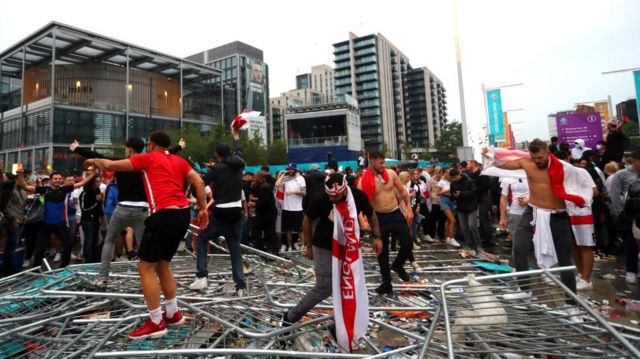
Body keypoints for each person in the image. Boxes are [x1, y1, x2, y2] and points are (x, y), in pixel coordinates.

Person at [85, 131, 208, 340]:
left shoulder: (146, 158)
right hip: (182, 214)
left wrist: (94, 159)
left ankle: (155, 321)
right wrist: (203, 209)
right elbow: (198, 182)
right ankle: (172, 313)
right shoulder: (178, 161)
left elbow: (108, 165)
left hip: (163, 214)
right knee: (162, 265)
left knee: (145, 267)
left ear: (150, 145)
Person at [71, 138, 184, 285]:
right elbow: (166, 153)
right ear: (142, 149)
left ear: (129, 149)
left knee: (109, 241)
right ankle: (150, 278)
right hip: (142, 211)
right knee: (145, 246)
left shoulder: (120, 163)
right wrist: (179, 146)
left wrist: (77, 149)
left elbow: (96, 154)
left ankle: (103, 277)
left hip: (122, 209)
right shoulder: (148, 163)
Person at [482, 139, 580, 301]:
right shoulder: (526, 163)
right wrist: (488, 156)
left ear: (547, 152)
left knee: (564, 259)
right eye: (534, 158)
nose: (537, 161)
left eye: (540, 158)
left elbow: (582, 186)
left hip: (556, 215)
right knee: (519, 248)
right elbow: (501, 165)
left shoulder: (563, 167)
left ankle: (572, 303)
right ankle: (524, 288)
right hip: (532, 211)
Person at [284, 173, 382, 324]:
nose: (332, 199)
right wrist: (308, 246)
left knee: (348, 285)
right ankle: (291, 317)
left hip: (348, 246)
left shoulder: (357, 196)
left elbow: (371, 214)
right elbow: (307, 219)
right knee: (325, 287)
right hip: (324, 245)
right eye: (330, 196)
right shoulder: (321, 197)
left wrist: (377, 237)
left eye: (335, 197)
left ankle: (341, 326)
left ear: (344, 190)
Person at [190, 128, 247, 294]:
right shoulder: (239, 164)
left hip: (221, 211)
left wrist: (197, 196)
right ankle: (240, 285)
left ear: (217, 154)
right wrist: (236, 136)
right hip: (236, 210)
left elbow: (201, 184)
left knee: (202, 238)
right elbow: (240, 151)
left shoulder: (215, 169)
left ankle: (202, 277)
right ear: (230, 152)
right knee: (234, 248)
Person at [357, 151, 414, 294]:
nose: (384, 165)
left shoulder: (391, 174)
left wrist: (409, 209)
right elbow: (359, 206)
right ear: (372, 162)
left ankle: (398, 265)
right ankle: (386, 283)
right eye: (381, 163)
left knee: (408, 243)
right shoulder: (363, 181)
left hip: (395, 213)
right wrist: (363, 221)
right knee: (382, 252)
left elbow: (403, 191)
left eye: (384, 162)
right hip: (378, 218)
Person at [16, 169, 96, 268]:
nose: (57, 180)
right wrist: (20, 175)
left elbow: (81, 183)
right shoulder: (44, 190)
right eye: (55, 179)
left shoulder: (64, 189)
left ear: (62, 180)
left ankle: (64, 267)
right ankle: (36, 270)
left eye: (59, 178)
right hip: (45, 225)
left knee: (68, 245)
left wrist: (93, 174)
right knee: (39, 249)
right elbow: (25, 186)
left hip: (60, 224)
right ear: (50, 180)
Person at [609, 150, 640, 284]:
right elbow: (614, 194)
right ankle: (631, 271)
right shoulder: (621, 175)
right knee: (630, 244)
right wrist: (618, 212)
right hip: (630, 215)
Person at [450, 169, 483, 254]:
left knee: (472, 226)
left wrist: (461, 193)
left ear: (459, 174)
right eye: (453, 178)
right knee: (464, 228)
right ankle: (469, 245)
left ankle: (479, 246)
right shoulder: (453, 183)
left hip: (471, 207)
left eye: (455, 177)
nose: (454, 179)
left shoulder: (469, 181)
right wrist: (454, 196)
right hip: (461, 208)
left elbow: (473, 192)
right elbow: (452, 194)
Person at [275, 164, 306, 252]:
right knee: (287, 230)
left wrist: (294, 192)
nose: (290, 171)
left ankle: (303, 246)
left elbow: (304, 192)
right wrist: (283, 175)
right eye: (289, 169)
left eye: (292, 169)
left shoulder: (301, 178)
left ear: (295, 170)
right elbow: (277, 184)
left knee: (300, 229)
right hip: (286, 208)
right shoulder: (286, 179)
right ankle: (289, 247)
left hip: (297, 208)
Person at [1, 173, 27, 275]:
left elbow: (22, 206)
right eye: (20, 179)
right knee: (11, 245)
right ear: (15, 180)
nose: (23, 181)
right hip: (11, 221)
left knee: (14, 244)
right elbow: (5, 207)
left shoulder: (24, 191)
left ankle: (9, 267)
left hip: (21, 220)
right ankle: (7, 270)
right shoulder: (9, 190)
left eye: (24, 179)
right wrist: (13, 219)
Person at [249, 171, 278, 254]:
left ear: (260, 178)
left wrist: (254, 204)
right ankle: (269, 249)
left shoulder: (264, 187)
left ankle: (263, 249)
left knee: (262, 230)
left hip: (267, 213)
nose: (254, 179)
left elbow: (265, 201)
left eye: (255, 177)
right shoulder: (262, 186)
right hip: (267, 213)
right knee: (268, 231)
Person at [79, 174, 104, 263]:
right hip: (87, 220)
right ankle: (88, 261)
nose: (99, 183)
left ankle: (95, 260)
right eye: (96, 181)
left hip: (96, 219)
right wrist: (96, 201)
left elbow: (99, 206)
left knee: (95, 240)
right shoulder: (84, 193)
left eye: (99, 181)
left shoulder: (97, 191)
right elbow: (84, 208)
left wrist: (101, 215)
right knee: (88, 241)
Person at [467, 160, 492, 244]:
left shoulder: (482, 174)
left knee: (483, 218)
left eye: (468, 164)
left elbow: (486, 187)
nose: (467, 165)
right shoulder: (470, 175)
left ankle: (487, 238)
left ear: (473, 164)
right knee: (476, 219)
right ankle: (480, 236)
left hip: (482, 199)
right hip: (474, 200)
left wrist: (473, 190)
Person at [435, 169, 461, 247]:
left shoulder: (454, 181)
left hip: (452, 200)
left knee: (450, 220)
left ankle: (449, 237)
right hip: (444, 200)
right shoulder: (442, 182)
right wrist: (448, 190)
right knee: (453, 220)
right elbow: (438, 193)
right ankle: (452, 238)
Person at [425, 167, 446, 242]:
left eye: (440, 173)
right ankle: (432, 235)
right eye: (437, 173)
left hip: (443, 202)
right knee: (433, 220)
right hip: (434, 202)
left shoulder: (444, 179)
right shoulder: (430, 180)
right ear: (434, 172)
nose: (439, 174)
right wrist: (429, 201)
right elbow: (427, 190)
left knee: (442, 220)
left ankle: (441, 235)